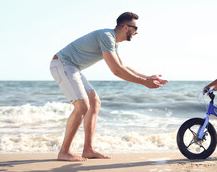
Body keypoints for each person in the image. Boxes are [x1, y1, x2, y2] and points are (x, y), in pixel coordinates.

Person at [50, 12, 168, 161]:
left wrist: (148, 77)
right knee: (82, 105)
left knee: (94, 102)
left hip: (72, 67)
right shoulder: (106, 36)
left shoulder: (112, 41)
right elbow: (116, 71)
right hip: (62, 64)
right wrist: (144, 83)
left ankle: (88, 150)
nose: (137, 32)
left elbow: (122, 66)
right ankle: (64, 152)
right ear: (126, 27)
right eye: (135, 28)